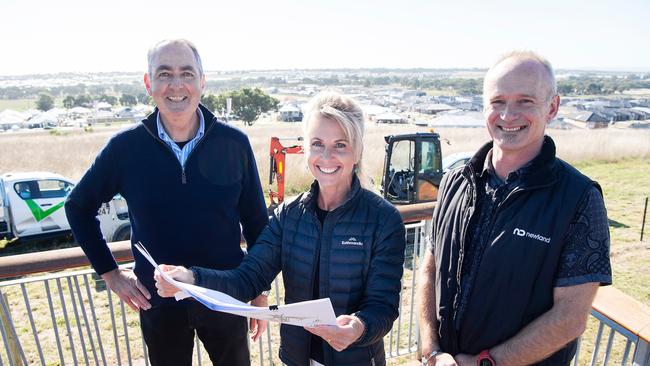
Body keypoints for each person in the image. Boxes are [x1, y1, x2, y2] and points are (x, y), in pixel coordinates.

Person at [154, 92, 407, 366]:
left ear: (357, 151)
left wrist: (356, 327)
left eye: (340, 145)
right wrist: (191, 279)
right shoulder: (289, 215)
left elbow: (382, 306)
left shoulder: (384, 220)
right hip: (296, 359)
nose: (326, 156)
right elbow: (247, 280)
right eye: (317, 144)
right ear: (306, 149)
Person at [64, 39, 269, 366]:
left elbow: (258, 224)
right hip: (159, 302)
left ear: (202, 81)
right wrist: (110, 273)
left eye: (187, 73)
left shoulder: (234, 144)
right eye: (164, 74)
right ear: (149, 83)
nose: (176, 85)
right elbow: (78, 207)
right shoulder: (125, 149)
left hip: (225, 295)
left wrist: (260, 289)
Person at [417, 51, 612, 366]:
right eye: (498, 102)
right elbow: (431, 266)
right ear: (485, 107)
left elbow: (570, 317)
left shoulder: (579, 198)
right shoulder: (456, 181)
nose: (508, 115)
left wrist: (487, 362)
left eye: (525, 101)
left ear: (552, 107)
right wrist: (431, 350)